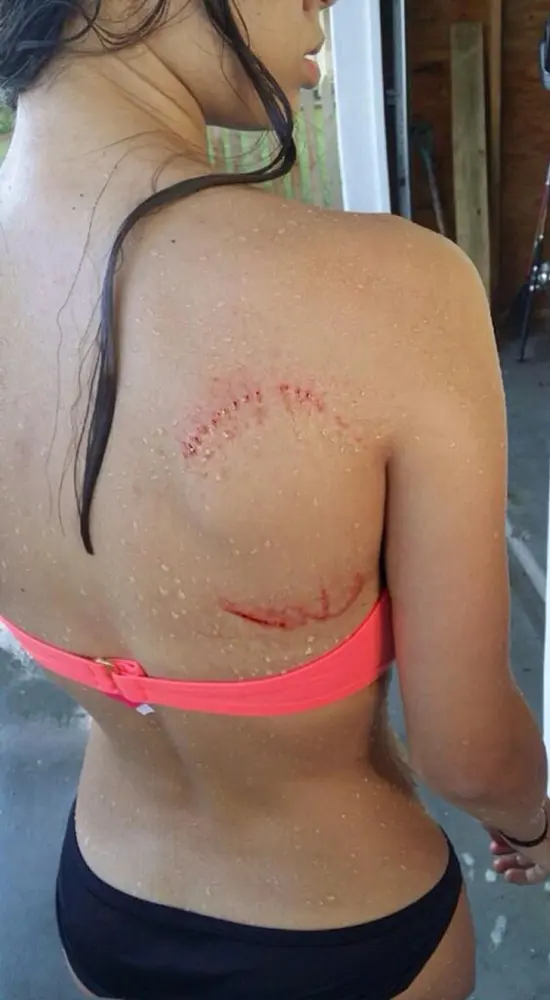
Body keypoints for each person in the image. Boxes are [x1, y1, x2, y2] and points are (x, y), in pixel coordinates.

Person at [0, 1, 548, 997]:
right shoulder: (399, 291)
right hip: (351, 928)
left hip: (106, 901)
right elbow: (466, 750)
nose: (322, 9)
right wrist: (534, 823)